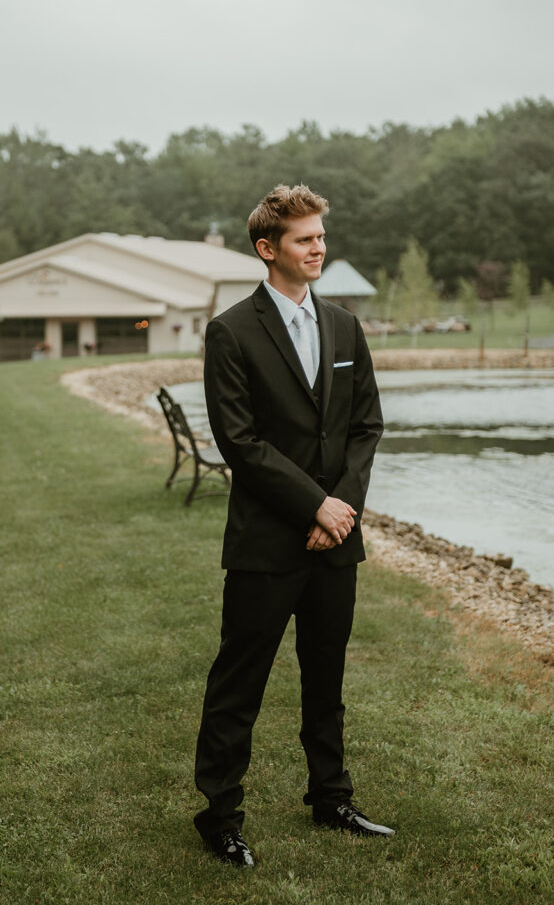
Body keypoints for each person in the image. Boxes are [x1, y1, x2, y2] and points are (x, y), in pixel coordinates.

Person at [194, 184, 393, 867]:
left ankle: (331, 797)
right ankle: (219, 816)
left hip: (337, 539)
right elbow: (241, 443)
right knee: (238, 684)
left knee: (326, 675)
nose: (319, 249)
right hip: (265, 542)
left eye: (320, 237)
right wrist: (315, 505)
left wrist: (340, 512)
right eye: (305, 240)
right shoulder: (231, 332)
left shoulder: (344, 326)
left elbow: (367, 426)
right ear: (267, 249)